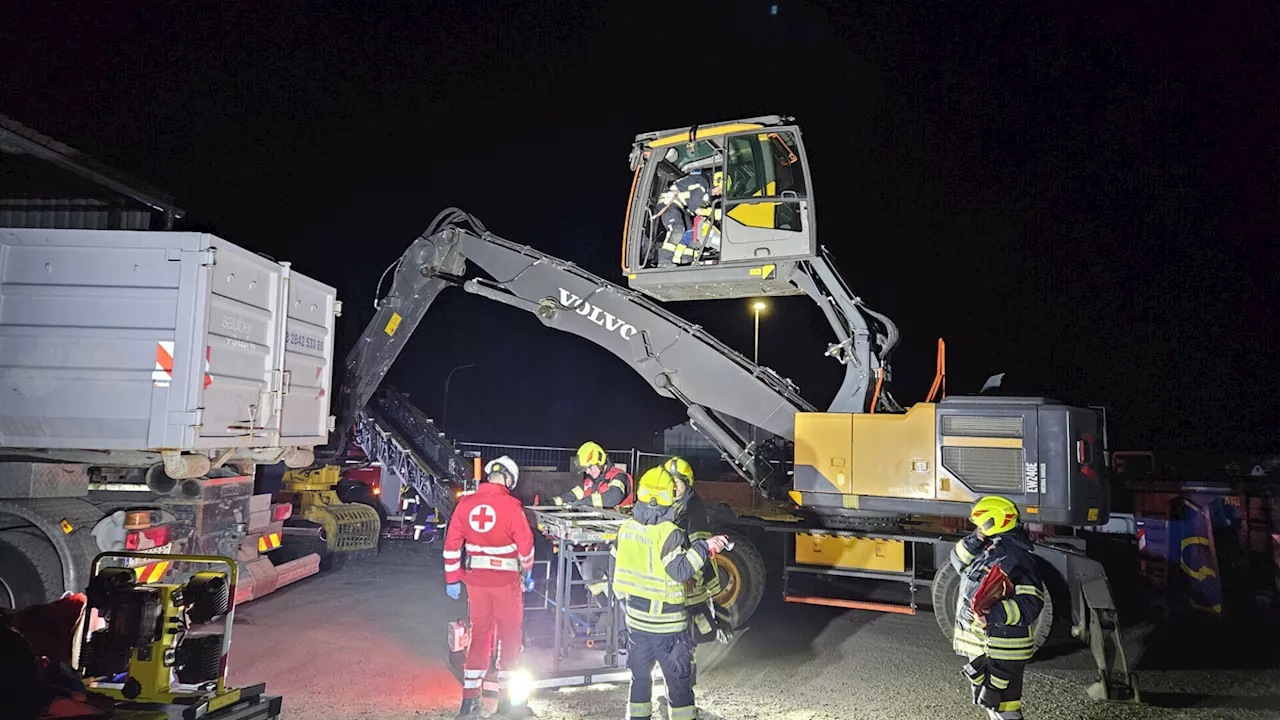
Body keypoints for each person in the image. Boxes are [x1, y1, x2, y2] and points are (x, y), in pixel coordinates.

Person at [612, 466, 730, 720]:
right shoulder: (669, 533)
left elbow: (616, 568)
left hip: (636, 623)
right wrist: (704, 546)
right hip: (667, 627)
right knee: (678, 687)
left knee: (640, 682)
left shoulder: (627, 529)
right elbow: (680, 571)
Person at [444, 455, 537, 718]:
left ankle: (470, 703)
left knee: (479, 639)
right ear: (508, 479)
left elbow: (452, 545)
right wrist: (528, 571)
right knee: (509, 639)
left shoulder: (466, 503)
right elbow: (526, 546)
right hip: (506, 584)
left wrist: (452, 578)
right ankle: (507, 704)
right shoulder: (511, 506)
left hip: (476, 583)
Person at [950, 496, 1047, 720]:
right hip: (986, 645)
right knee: (991, 705)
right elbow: (958, 561)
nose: (978, 527)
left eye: (980, 524)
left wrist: (992, 614)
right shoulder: (992, 548)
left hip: (1002, 650)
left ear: (994, 522)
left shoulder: (1016, 558)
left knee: (1004, 709)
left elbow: (1031, 604)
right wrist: (976, 538)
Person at [552, 441, 635, 600]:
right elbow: (573, 496)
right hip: (601, 537)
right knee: (589, 573)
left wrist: (585, 502)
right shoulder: (590, 482)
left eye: (590, 467)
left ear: (601, 461)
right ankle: (606, 612)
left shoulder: (619, 477)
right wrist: (552, 501)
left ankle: (614, 611)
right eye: (586, 469)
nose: (589, 472)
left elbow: (613, 497)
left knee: (592, 571)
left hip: (620, 539)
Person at [663, 457, 730, 646]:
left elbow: (701, 546)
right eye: (670, 482)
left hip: (692, 573)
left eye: (677, 482)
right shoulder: (675, 502)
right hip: (682, 569)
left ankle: (713, 631)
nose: (673, 487)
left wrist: (693, 576)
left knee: (696, 623)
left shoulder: (693, 508)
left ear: (686, 482)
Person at [654, 170, 726, 266]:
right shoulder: (702, 183)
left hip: (682, 208)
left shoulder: (703, 186)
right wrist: (717, 214)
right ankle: (664, 260)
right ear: (716, 183)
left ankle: (685, 259)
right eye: (720, 190)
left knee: (691, 233)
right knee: (677, 228)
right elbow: (696, 209)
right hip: (670, 203)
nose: (718, 194)